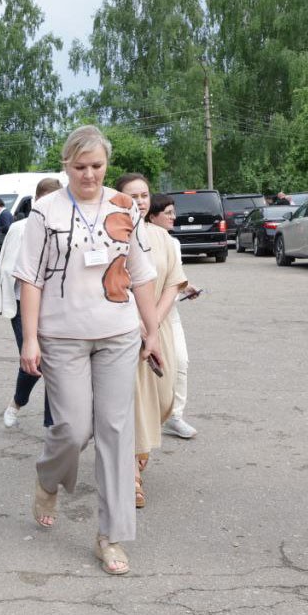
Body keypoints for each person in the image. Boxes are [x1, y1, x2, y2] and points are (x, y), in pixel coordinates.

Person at [13, 126, 163, 576]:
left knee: (116, 430)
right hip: (62, 336)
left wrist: (152, 331)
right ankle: (48, 479)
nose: (89, 174)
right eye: (80, 166)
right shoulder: (46, 210)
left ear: (106, 165)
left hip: (118, 333)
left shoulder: (124, 206)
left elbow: (141, 272)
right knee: (73, 428)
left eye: (97, 165)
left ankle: (111, 536)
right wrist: (30, 339)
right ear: (66, 165)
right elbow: (30, 278)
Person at [117, 177, 187, 509]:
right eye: (133, 196)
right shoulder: (111, 234)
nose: (141, 201)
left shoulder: (162, 237)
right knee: (132, 401)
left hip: (159, 329)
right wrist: (139, 325)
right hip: (123, 331)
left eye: (144, 195)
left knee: (164, 397)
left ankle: (142, 443)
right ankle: (131, 475)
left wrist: (153, 324)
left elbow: (173, 282)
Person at [0, 177, 60, 429]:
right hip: (23, 307)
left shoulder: (64, 226)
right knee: (33, 362)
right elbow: (6, 270)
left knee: (55, 366)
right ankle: (17, 402)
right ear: (36, 200)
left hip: (56, 308)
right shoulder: (20, 228)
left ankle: (52, 425)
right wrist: (7, 305)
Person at [147, 197, 199, 440]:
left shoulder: (173, 242)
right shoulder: (138, 240)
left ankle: (174, 416)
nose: (173, 217)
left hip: (169, 313)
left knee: (180, 362)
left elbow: (174, 276)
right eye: (167, 213)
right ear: (152, 216)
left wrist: (187, 287)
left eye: (173, 212)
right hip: (140, 315)